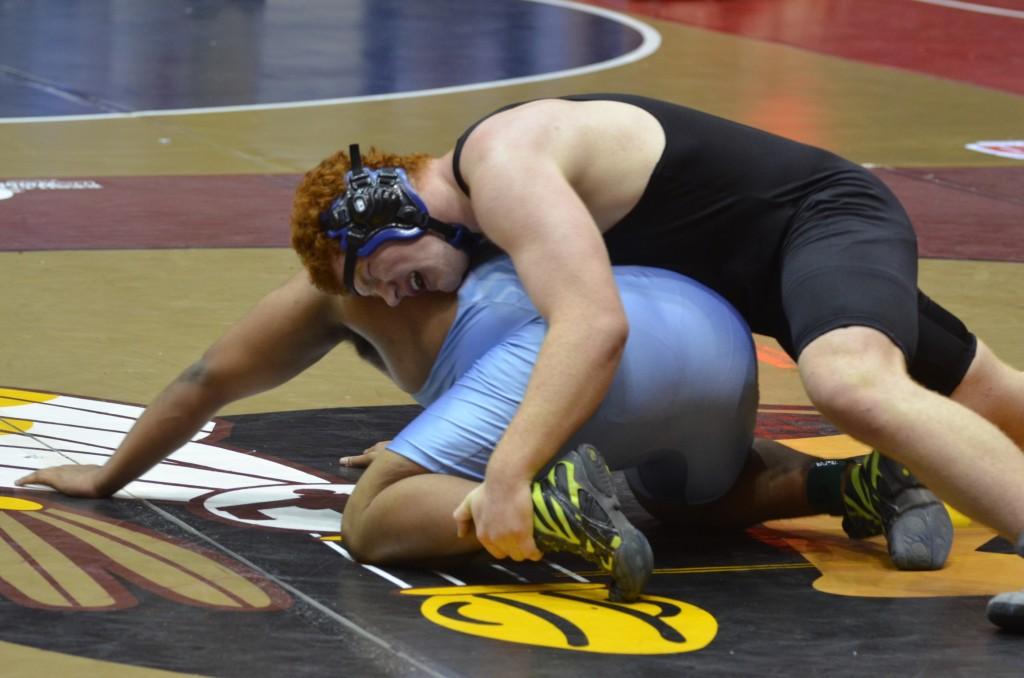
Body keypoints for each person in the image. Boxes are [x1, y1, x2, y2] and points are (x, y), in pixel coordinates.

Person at [288, 94, 1024, 622]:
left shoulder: (500, 166)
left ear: (390, 223)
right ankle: (865, 483)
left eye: (380, 279)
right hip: (757, 275)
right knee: (992, 397)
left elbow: (592, 324)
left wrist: (508, 470)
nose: (391, 301)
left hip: (814, 223)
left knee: (851, 381)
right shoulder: (466, 220)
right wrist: (444, 441)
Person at [17, 253, 875, 602]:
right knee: (688, 499)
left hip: (579, 350)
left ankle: (548, 510)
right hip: (699, 324)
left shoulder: (336, 286)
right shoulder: (486, 214)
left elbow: (207, 380)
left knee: (375, 515)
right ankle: (851, 484)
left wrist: (106, 476)